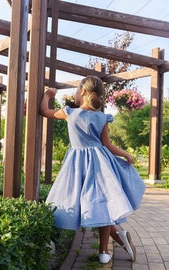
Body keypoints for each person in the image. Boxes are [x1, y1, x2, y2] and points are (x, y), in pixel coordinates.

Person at [40, 76, 145, 264]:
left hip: (76, 166)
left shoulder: (69, 113)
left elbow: (44, 111)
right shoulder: (101, 117)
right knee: (103, 204)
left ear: (82, 92)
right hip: (100, 165)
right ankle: (104, 250)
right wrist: (126, 154)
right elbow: (108, 145)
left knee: (79, 202)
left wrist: (47, 95)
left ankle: (119, 238)